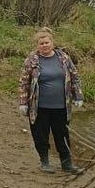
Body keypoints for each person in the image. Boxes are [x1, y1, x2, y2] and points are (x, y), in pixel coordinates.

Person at [17, 27, 85, 174]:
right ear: (37, 45)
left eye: (47, 42)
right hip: (39, 107)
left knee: (62, 135)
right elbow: (23, 83)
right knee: (40, 135)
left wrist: (78, 96)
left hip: (61, 106)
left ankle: (67, 164)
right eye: (41, 43)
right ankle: (45, 162)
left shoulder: (64, 58)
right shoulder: (31, 60)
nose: (44, 45)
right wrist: (23, 103)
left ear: (52, 42)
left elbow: (75, 77)